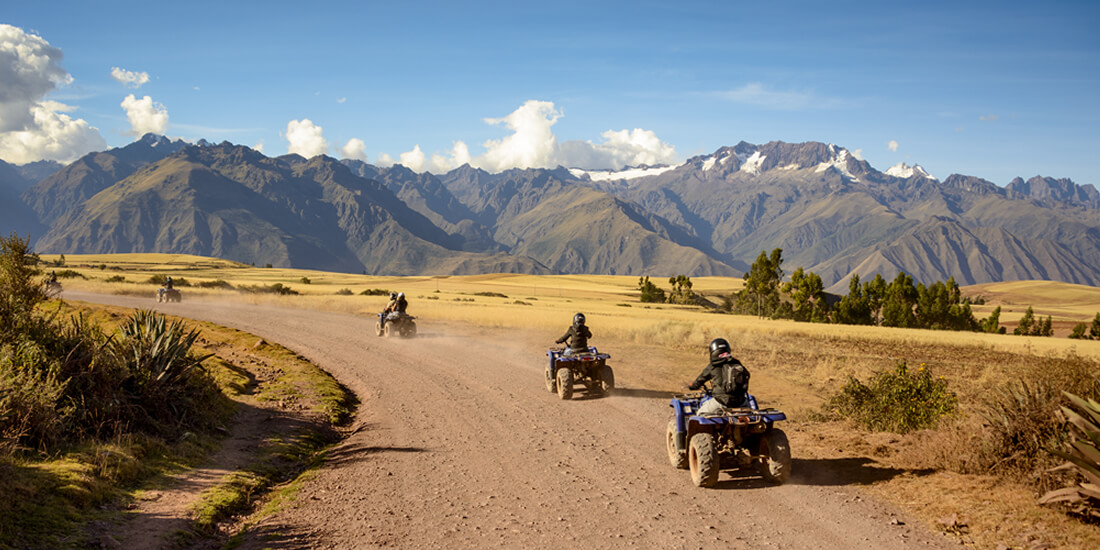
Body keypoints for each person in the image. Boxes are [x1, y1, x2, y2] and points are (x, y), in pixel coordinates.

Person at [688, 338, 751, 415]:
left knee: (700, 414)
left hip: (720, 402)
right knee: (752, 414)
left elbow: (700, 379)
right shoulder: (737, 364)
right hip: (740, 402)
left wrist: (692, 386)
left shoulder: (712, 366)